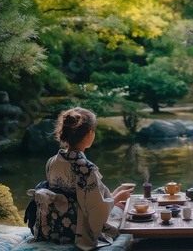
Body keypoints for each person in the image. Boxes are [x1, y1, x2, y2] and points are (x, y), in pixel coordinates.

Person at [37, 107, 133, 250]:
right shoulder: (85, 168)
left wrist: (112, 195)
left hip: (54, 228)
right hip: (78, 232)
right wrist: (117, 199)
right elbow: (96, 217)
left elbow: (78, 197)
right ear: (90, 133)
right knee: (124, 213)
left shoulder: (51, 161)